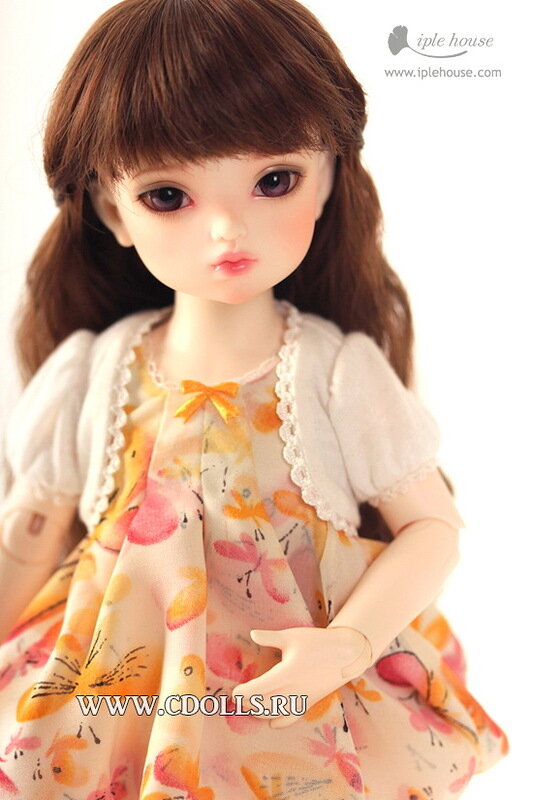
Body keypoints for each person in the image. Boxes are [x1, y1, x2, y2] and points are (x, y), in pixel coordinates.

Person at [0, 0, 508, 797]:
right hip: (122, 697)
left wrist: (346, 645)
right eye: (168, 195)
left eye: (274, 180)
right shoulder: (91, 373)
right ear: (110, 209)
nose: (226, 232)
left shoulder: (334, 372)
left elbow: (432, 529)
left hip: (294, 702)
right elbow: (27, 539)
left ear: (328, 176)